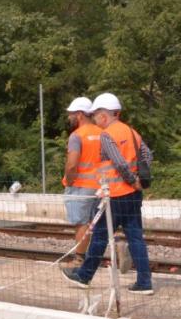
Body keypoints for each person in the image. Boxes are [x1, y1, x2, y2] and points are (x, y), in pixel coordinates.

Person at [61, 93, 154, 295]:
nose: (94, 119)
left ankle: (84, 276)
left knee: (100, 237)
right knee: (136, 237)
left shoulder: (107, 134)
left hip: (116, 195)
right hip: (133, 195)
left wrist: (130, 179)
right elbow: (147, 154)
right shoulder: (131, 132)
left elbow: (119, 162)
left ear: (104, 115)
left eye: (96, 115)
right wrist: (140, 181)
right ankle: (145, 282)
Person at [62, 97, 103, 264]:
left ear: (79, 115)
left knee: (82, 224)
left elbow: (72, 165)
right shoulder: (103, 133)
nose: (69, 117)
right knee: (98, 224)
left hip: (80, 187)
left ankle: (79, 259)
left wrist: (69, 181)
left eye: (72, 113)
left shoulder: (77, 136)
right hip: (101, 186)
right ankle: (99, 256)